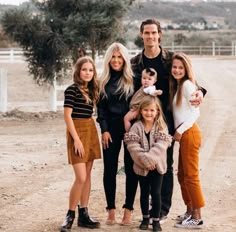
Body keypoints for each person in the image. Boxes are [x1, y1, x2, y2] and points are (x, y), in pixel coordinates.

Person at [130, 18, 207, 222]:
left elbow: (189, 80)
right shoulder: (135, 63)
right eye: (146, 33)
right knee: (144, 164)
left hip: (167, 123)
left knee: (166, 165)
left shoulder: (170, 59)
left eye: (154, 33)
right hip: (143, 121)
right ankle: (147, 212)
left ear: (160, 34)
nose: (150, 37)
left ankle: (162, 210)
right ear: (141, 35)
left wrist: (200, 92)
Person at [60, 56, 101, 231]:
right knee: (81, 177)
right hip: (76, 131)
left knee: (88, 176)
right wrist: (76, 139)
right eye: (84, 69)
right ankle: (70, 214)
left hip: (90, 129)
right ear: (78, 71)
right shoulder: (72, 90)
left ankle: (84, 214)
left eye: (90, 70)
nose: (87, 73)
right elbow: (67, 116)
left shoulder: (92, 90)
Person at [96, 42, 135, 225]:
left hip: (130, 130)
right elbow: (101, 109)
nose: (116, 60)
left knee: (131, 169)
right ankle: (110, 210)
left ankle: (128, 210)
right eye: (113, 57)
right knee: (109, 170)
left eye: (120, 57)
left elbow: (140, 103)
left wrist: (131, 120)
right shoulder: (102, 81)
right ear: (108, 59)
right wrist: (104, 130)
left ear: (125, 59)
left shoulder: (132, 79)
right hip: (110, 130)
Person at [124, 95, 172, 231]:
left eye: (152, 110)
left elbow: (161, 146)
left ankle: (155, 220)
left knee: (156, 193)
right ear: (140, 111)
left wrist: (150, 160)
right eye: (145, 110)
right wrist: (145, 162)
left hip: (157, 167)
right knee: (144, 193)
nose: (149, 113)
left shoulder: (161, 126)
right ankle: (145, 218)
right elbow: (133, 147)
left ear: (157, 111)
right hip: (141, 167)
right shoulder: (136, 127)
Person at [169, 53, 205, 229]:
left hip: (189, 133)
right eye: (174, 67)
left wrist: (180, 131)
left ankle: (197, 216)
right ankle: (189, 211)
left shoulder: (187, 85)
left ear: (186, 69)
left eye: (180, 68)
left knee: (191, 176)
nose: (176, 70)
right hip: (185, 135)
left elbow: (195, 112)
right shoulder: (179, 85)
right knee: (182, 175)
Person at [124, 67, 163, 132]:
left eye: (149, 79)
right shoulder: (144, 87)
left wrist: (157, 92)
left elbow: (152, 92)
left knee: (126, 118)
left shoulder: (149, 88)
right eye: (144, 78)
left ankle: (129, 133)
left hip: (137, 109)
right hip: (137, 108)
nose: (146, 80)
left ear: (154, 81)